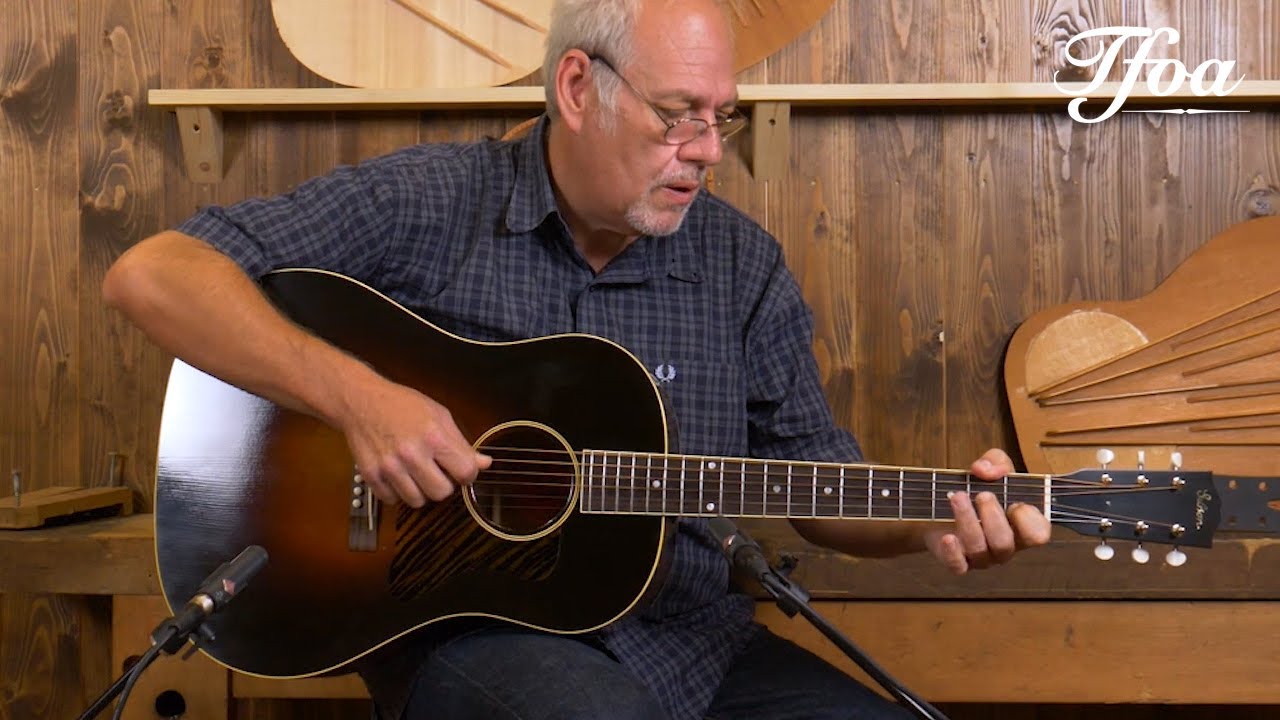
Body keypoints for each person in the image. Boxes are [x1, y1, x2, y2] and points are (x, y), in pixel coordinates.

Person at [103, 0, 1051, 717]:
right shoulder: (432, 203)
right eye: (679, 114)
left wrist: (930, 521)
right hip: (476, 639)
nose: (708, 150)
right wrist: (359, 401)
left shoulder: (741, 264)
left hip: (697, 644)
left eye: (722, 117)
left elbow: (817, 483)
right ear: (575, 88)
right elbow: (154, 276)